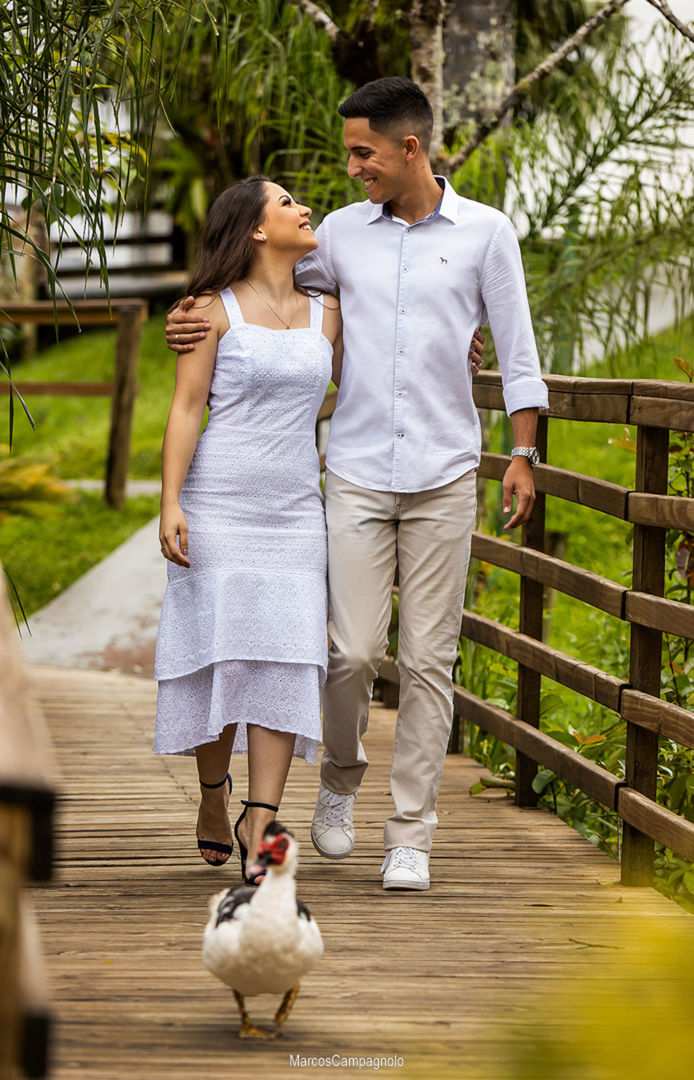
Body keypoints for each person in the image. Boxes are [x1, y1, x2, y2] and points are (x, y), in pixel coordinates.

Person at [165, 77, 548, 893]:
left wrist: (523, 450)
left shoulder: (487, 234)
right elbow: (269, 296)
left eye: (362, 152)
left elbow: (514, 346)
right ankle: (339, 780)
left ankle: (410, 833)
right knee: (347, 652)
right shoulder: (338, 234)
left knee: (429, 659)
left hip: (448, 467)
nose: (351, 170)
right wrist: (189, 314)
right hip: (357, 471)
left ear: (410, 148)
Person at [154, 176, 341, 884]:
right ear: (257, 229)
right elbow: (186, 407)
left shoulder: (330, 312)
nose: (304, 208)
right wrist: (172, 502)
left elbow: (375, 378)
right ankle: (211, 798)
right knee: (220, 657)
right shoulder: (210, 310)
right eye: (288, 201)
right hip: (219, 505)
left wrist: (462, 354)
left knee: (286, 659)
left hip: (296, 513)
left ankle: (260, 820)